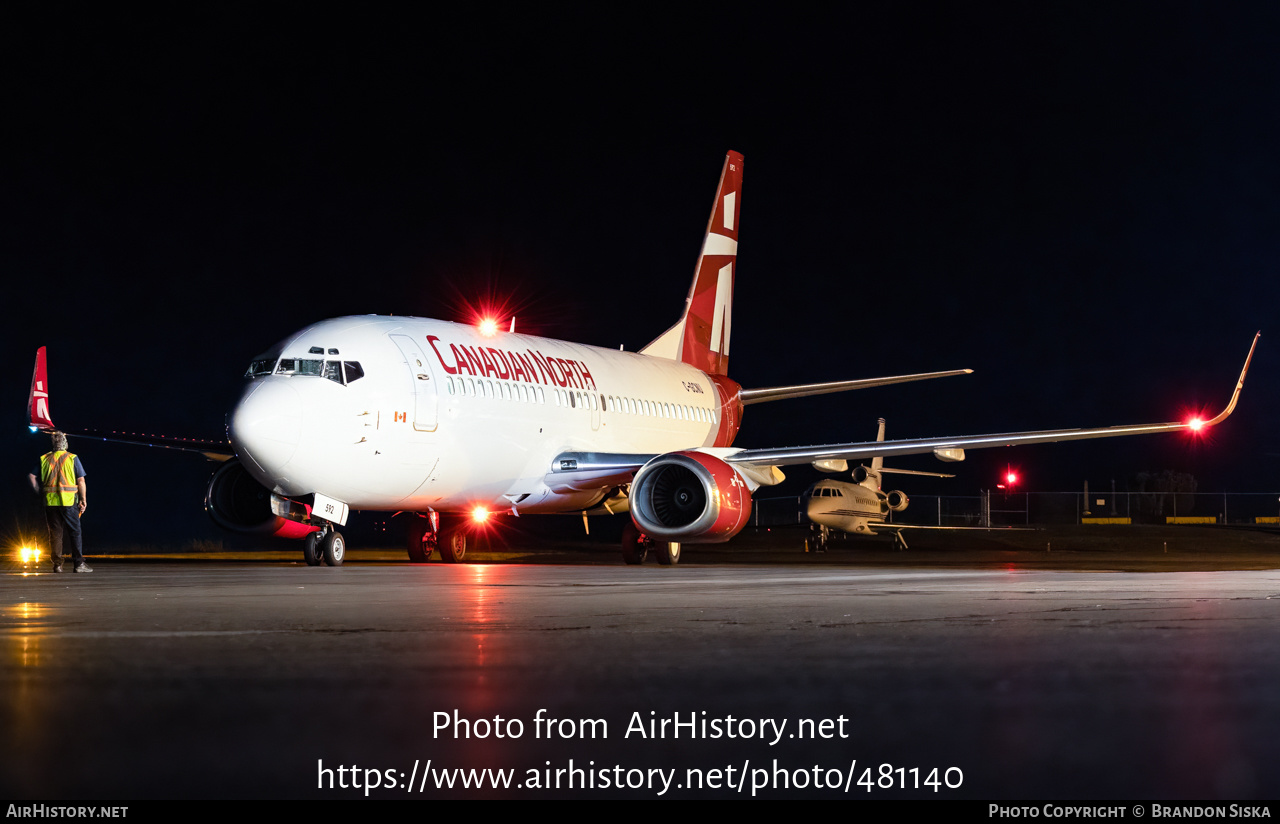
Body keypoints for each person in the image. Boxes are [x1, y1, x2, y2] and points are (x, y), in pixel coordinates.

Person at [28, 431, 90, 573]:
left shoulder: (44, 458)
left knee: (55, 533)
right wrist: (83, 499)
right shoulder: (72, 458)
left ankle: (57, 565)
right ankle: (78, 564)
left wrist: (39, 491)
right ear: (65, 443)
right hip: (68, 502)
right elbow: (81, 481)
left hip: (50, 502)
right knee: (75, 532)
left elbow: (31, 477)